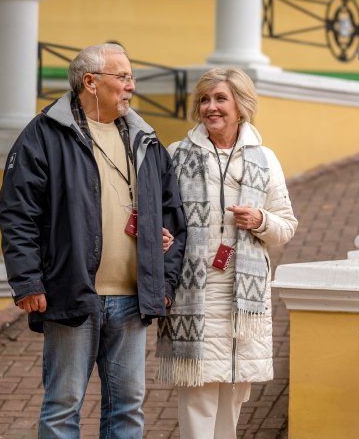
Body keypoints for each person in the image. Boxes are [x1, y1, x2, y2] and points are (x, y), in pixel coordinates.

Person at [0, 43, 187, 439]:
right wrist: (27, 281)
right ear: (90, 82)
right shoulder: (43, 134)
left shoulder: (145, 139)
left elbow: (172, 216)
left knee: (128, 408)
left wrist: (164, 283)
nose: (131, 85)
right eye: (123, 77)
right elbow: (18, 213)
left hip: (132, 300)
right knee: (62, 406)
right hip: (71, 294)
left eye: (131, 77)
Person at [156, 67, 298, 439]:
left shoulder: (264, 159)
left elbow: (286, 225)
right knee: (198, 395)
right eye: (204, 99)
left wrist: (261, 220)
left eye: (221, 98)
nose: (211, 107)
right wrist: (160, 237)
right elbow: (158, 216)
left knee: (234, 392)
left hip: (243, 298)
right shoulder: (177, 155)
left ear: (240, 105)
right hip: (193, 294)